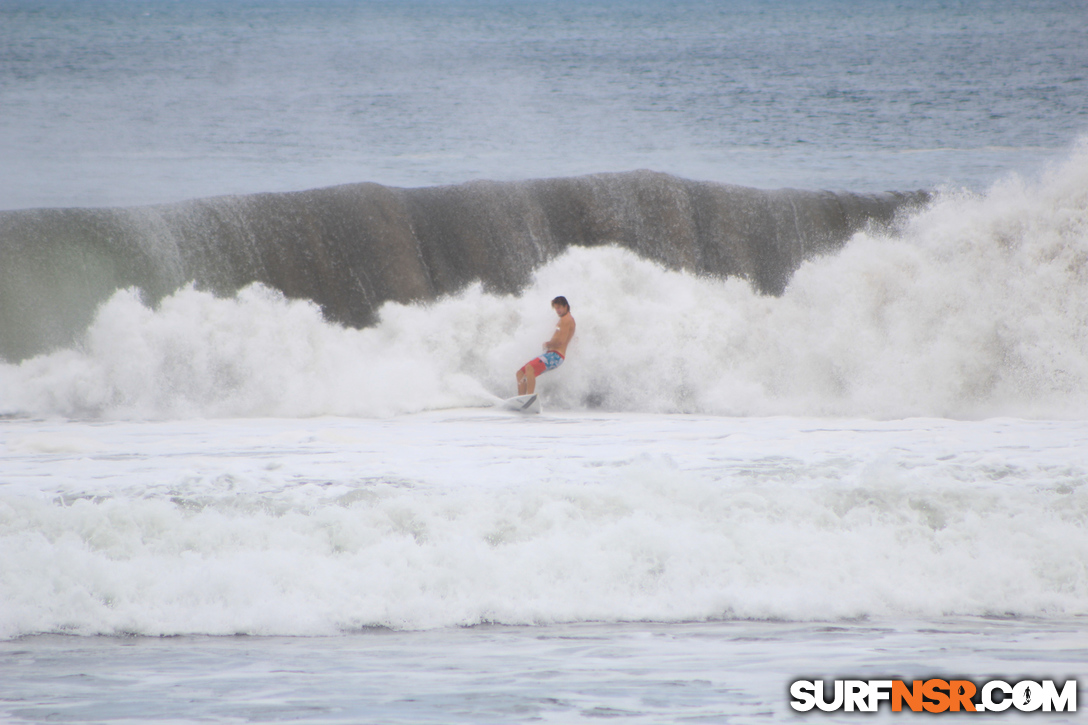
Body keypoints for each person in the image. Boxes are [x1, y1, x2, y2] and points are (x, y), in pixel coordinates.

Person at [517, 296, 575, 395]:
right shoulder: (564, 320)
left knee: (529, 368)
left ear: (566, 306)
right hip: (552, 354)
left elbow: (561, 341)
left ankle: (529, 398)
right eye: (556, 308)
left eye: (560, 307)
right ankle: (521, 400)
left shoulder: (566, 320)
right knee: (520, 373)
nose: (558, 310)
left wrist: (548, 343)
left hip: (556, 356)